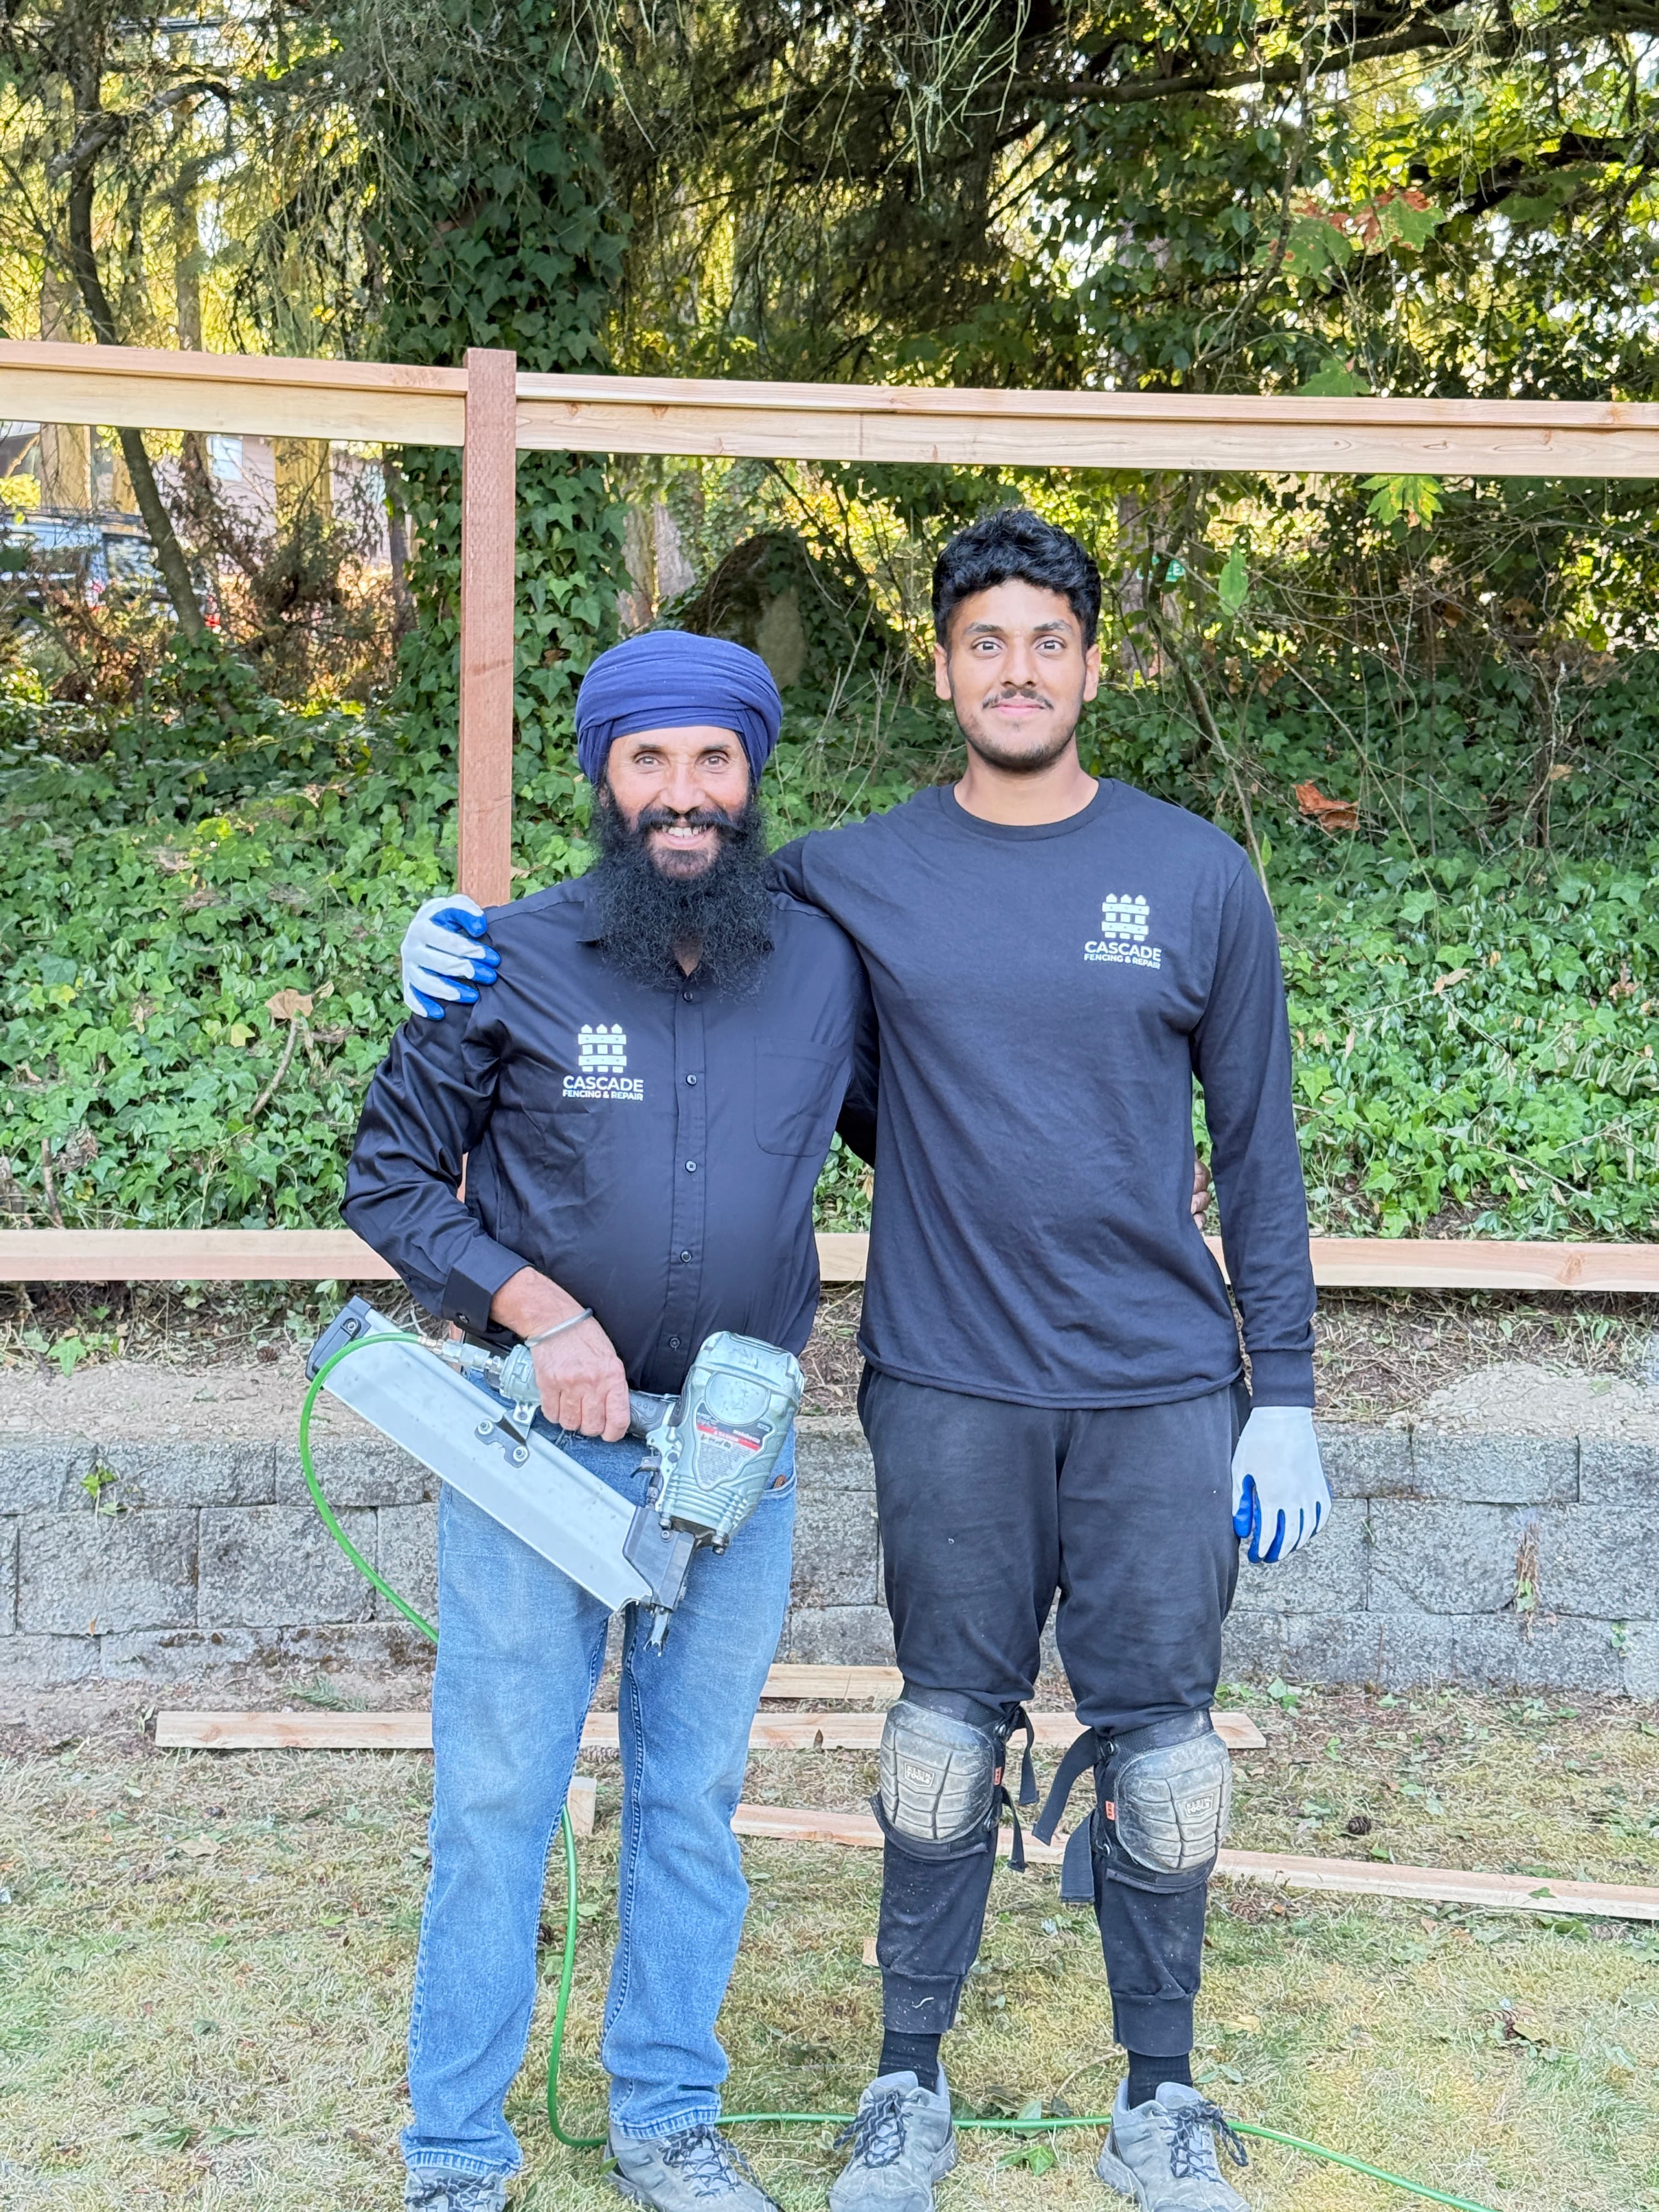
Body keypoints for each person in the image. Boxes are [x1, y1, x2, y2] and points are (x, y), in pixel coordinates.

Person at [400, 509, 1329, 2212]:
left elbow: (1259, 1156)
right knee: (936, 1739)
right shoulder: (843, 877)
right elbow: (659, 934)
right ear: (945, 667)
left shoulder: (1199, 874)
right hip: (946, 1377)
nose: (1020, 669)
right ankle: (900, 2090)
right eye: (988, 641)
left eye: (1050, 640)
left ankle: (1161, 2101)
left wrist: (1289, 1395)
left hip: (1160, 1388)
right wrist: (458, 962)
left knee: (1168, 1750)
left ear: (1092, 666)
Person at [347, 630, 875, 2212]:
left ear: (755, 777)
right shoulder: (510, 957)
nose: (684, 795)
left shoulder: (827, 963)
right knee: (502, 1792)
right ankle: (455, 2151)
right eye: (649, 759)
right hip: (536, 1454)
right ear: (604, 779)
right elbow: (389, 1180)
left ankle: (668, 2121)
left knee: (692, 1798)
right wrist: (538, 1308)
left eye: (714, 759)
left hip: (735, 1458)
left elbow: (936, 1123)